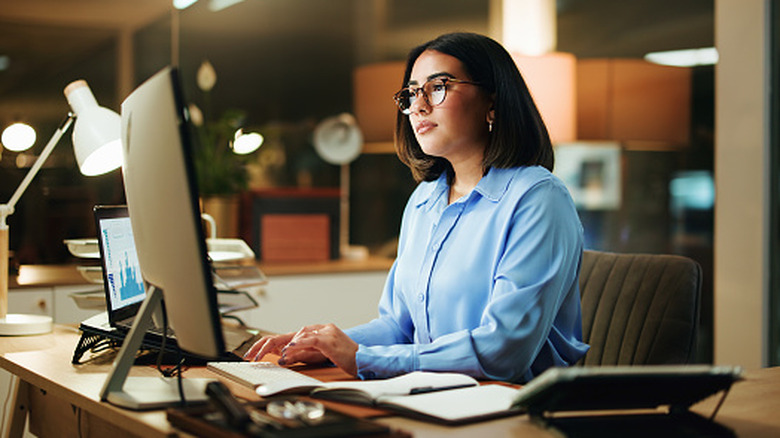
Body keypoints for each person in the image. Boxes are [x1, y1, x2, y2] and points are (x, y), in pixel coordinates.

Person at [244, 32, 589, 383]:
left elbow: (503, 350)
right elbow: (399, 325)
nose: (419, 106)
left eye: (438, 86)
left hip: (514, 408)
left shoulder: (538, 198)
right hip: (433, 393)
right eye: (411, 93)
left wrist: (361, 357)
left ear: (492, 102)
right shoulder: (424, 200)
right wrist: (326, 346)